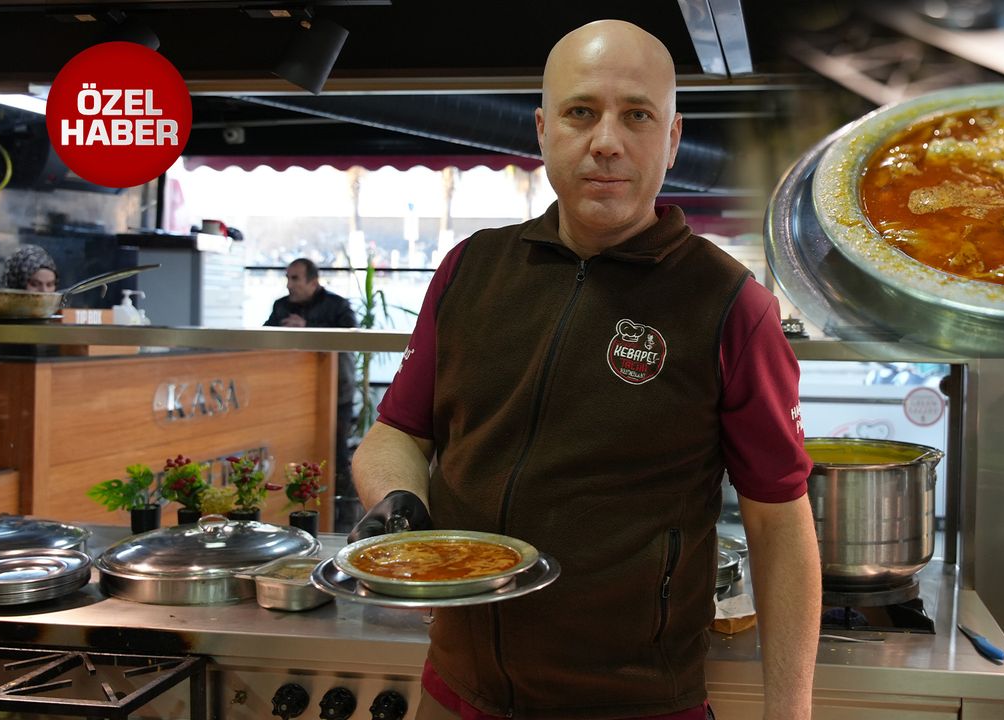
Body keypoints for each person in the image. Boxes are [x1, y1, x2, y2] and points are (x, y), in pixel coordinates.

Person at [350, 19, 821, 720]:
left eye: (637, 115)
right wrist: (397, 500)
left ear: (673, 139)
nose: (606, 141)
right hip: (455, 691)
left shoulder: (731, 306)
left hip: (636, 705)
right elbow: (397, 433)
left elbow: (779, 524)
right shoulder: (471, 270)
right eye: (580, 112)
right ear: (543, 131)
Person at [265, 258, 358, 522]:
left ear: (313, 282)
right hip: (295, 397)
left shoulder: (337, 305)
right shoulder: (281, 306)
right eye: (287, 278)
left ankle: (343, 517)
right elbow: (265, 337)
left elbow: (351, 335)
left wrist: (307, 328)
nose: (289, 284)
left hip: (336, 394)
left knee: (336, 454)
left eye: (295, 278)